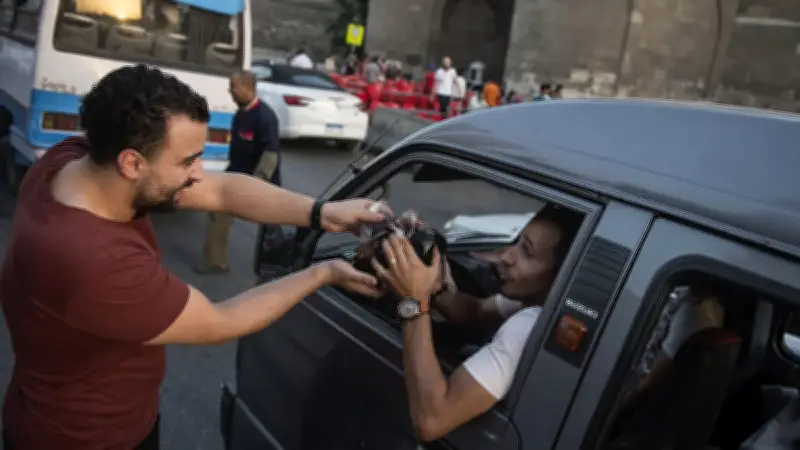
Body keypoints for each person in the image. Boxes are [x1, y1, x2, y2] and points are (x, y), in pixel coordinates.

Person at [0, 64, 384, 450]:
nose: (199, 173)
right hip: (88, 439)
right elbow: (222, 319)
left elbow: (221, 192)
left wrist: (323, 213)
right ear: (131, 163)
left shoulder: (74, 160)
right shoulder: (93, 260)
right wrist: (323, 272)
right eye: (187, 161)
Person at [372, 206, 725, 442]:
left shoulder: (531, 326)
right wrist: (432, 284)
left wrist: (412, 304)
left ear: (564, 274)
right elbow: (475, 313)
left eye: (527, 251)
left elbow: (432, 419)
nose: (506, 256)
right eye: (517, 241)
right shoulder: (541, 298)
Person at [196, 70, 281, 274]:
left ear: (245, 88)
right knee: (216, 211)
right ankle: (216, 262)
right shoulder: (240, 114)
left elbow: (271, 155)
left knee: (275, 229)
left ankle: (281, 268)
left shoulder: (265, 117)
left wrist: (254, 184)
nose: (230, 93)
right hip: (235, 175)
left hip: (260, 182)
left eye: (233, 88)